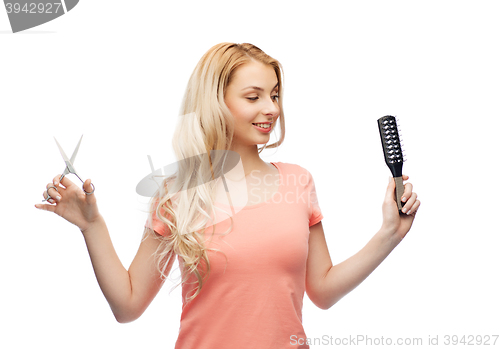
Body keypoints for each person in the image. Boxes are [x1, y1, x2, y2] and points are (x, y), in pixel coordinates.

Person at [35, 42, 420, 349]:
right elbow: (128, 305)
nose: (271, 108)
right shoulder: (178, 194)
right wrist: (92, 226)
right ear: (215, 102)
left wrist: (389, 234)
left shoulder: (298, 182)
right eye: (254, 97)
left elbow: (322, 291)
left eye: (275, 95)